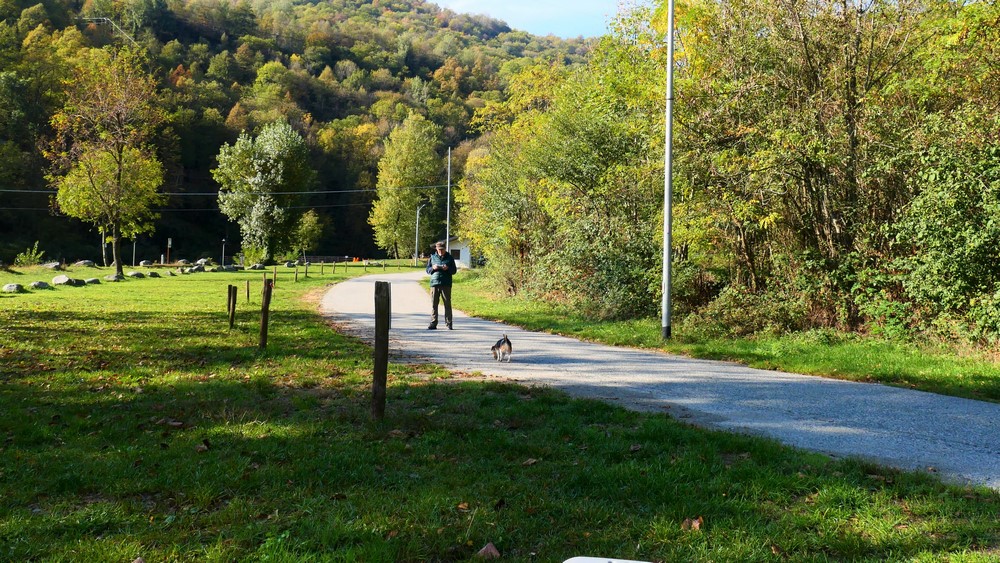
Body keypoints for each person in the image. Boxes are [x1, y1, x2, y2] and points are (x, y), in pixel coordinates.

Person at [425, 240, 457, 329]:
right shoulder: (432, 257)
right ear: (436, 249)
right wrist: (433, 268)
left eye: (442, 249)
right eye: (439, 249)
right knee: (434, 305)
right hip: (434, 283)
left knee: (447, 304)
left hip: (446, 283)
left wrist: (447, 268)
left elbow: (454, 271)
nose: (441, 251)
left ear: (445, 249)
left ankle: (449, 323)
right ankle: (433, 323)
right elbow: (427, 270)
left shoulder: (450, 258)